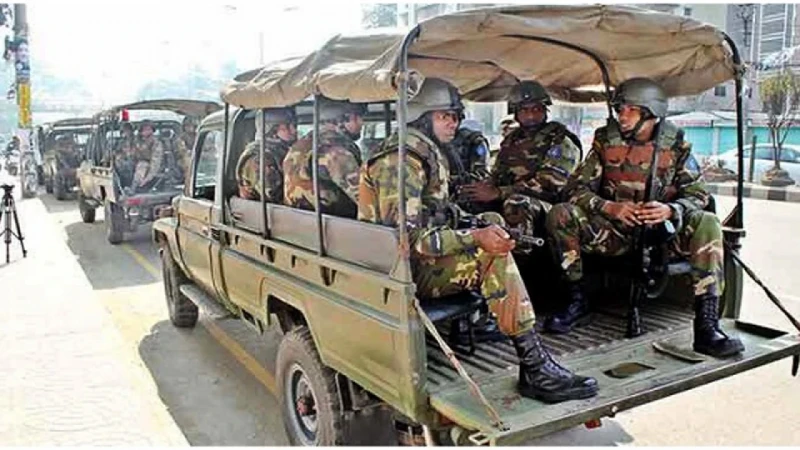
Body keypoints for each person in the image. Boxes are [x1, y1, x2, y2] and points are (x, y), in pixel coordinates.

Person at [359, 77, 598, 403]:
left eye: (456, 116)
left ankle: (494, 320)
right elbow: (407, 239)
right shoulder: (401, 160)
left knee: (492, 222)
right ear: (422, 116)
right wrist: (475, 237)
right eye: (445, 116)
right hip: (398, 271)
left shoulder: (422, 150)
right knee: (489, 254)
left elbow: (436, 212)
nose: (454, 123)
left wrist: (477, 223)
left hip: (414, 261)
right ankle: (535, 366)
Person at [545, 77, 744, 358]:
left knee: (707, 221)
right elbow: (574, 190)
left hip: (662, 235)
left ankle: (707, 327)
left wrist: (671, 210)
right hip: (615, 233)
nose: (622, 116)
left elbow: (699, 193)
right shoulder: (605, 142)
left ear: (651, 112)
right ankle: (577, 300)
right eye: (620, 109)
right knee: (560, 214)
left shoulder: (675, 145)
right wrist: (609, 208)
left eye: (631, 110)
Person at [459, 80, 582, 252]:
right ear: (515, 113)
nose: (531, 115)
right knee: (469, 201)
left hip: (552, 207)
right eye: (524, 110)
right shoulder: (512, 140)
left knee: (516, 203)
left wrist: (499, 193)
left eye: (536, 109)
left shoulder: (560, 140)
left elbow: (549, 185)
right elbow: (497, 175)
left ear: (545, 110)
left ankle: (521, 259)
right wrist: (482, 188)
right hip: (512, 197)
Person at [283, 97, 365, 218]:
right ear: (343, 119)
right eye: (357, 117)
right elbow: (364, 198)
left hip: (298, 221)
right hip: (335, 224)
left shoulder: (299, 146)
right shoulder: (335, 153)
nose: (361, 123)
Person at [236, 107, 297, 202]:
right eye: (287, 126)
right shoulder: (258, 157)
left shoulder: (281, 151)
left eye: (294, 126)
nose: (294, 130)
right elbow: (272, 196)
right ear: (270, 130)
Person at [131, 120, 165, 192]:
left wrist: (147, 178)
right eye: (144, 129)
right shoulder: (136, 141)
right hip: (136, 166)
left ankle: (134, 187)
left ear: (152, 131)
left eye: (149, 129)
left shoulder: (156, 143)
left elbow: (155, 162)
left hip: (151, 167)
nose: (146, 131)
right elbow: (132, 155)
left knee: (142, 164)